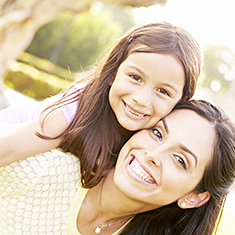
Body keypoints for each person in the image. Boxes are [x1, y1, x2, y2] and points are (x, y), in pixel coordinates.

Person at [0, 21, 203, 188]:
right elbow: (7, 148)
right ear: (113, 73)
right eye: (135, 77)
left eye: (163, 91)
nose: (141, 99)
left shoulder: (154, 142)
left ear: (180, 103)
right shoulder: (81, 105)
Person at [0, 99, 234, 235]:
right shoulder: (40, 170)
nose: (152, 154)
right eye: (157, 133)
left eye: (180, 160)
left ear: (194, 197)